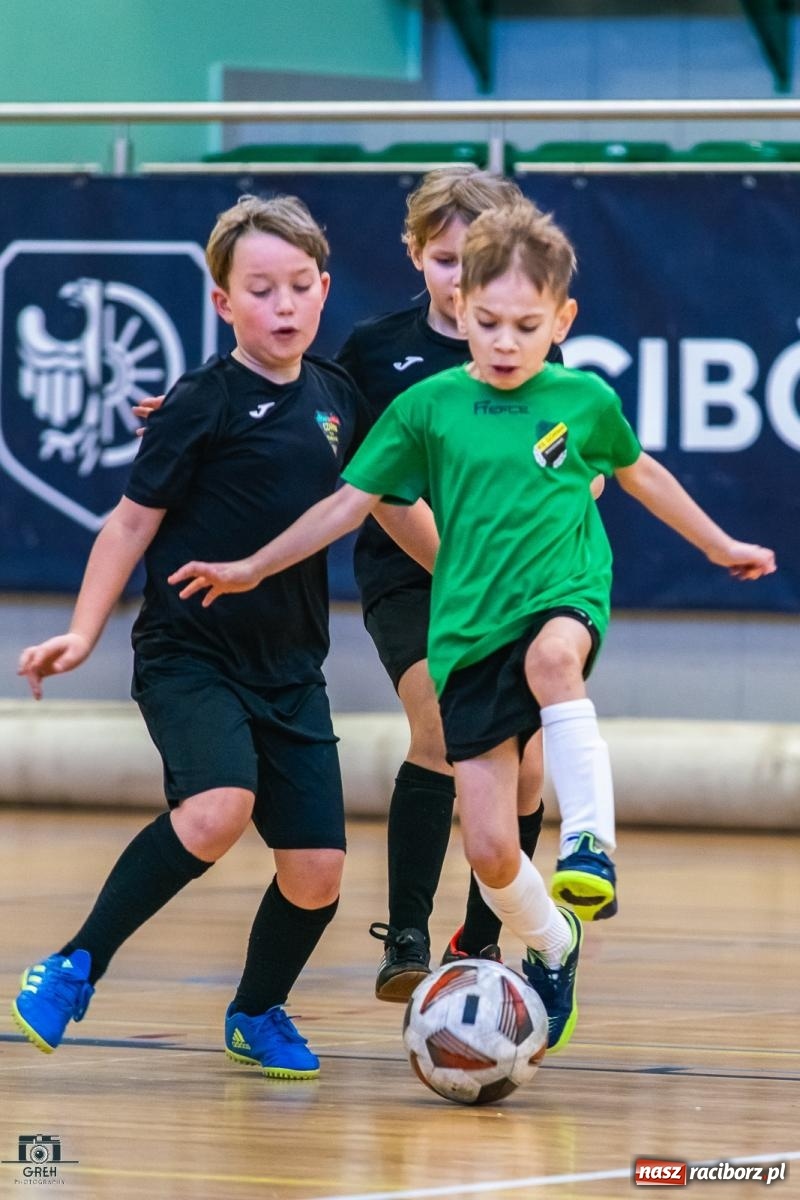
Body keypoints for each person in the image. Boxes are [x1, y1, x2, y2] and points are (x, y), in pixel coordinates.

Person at [166, 199, 776, 1053]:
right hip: (467, 632)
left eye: (526, 327)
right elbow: (348, 503)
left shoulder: (582, 399)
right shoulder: (427, 406)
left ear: (561, 320)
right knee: (491, 851)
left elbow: (642, 475)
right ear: (461, 307)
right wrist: (256, 565)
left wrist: (719, 545)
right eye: (487, 323)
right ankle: (554, 942)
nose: (505, 342)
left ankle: (590, 846)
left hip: (561, 592)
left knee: (555, 662)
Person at [11, 193, 432, 1078]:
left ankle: (256, 1011)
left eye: (300, 286)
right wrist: (82, 632)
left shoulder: (339, 398)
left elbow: (389, 504)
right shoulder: (201, 400)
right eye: (261, 289)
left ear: (325, 290)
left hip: (291, 669)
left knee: (317, 872)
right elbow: (128, 524)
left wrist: (477, 577)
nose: (284, 305)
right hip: (190, 655)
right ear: (222, 301)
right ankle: (75, 963)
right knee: (217, 808)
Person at [337, 166, 569, 1002]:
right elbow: (342, 453)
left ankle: (480, 937)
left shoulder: (528, 352)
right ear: (414, 254)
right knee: (440, 725)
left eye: (478, 260)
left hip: (510, 585)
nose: (461, 278)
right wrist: (193, 410)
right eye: (445, 260)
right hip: (413, 577)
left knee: (527, 768)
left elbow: (568, 457)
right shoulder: (373, 351)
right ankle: (405, 934)